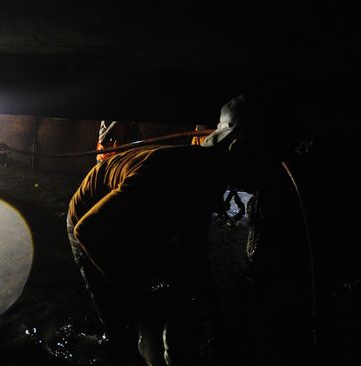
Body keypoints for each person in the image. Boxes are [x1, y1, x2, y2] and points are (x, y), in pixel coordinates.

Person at [67, 93, 284, 365]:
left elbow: (193, 251)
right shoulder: (169, 172)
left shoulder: (211, 177)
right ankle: (127, 348)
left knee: (177, 292)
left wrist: (215, 317)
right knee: (123, 316)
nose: (268, 172)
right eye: (265, 160)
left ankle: (169, 352)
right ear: (238, 148)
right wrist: (142, 294)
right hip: (91, 214)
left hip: (141, 217)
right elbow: (89, 231)